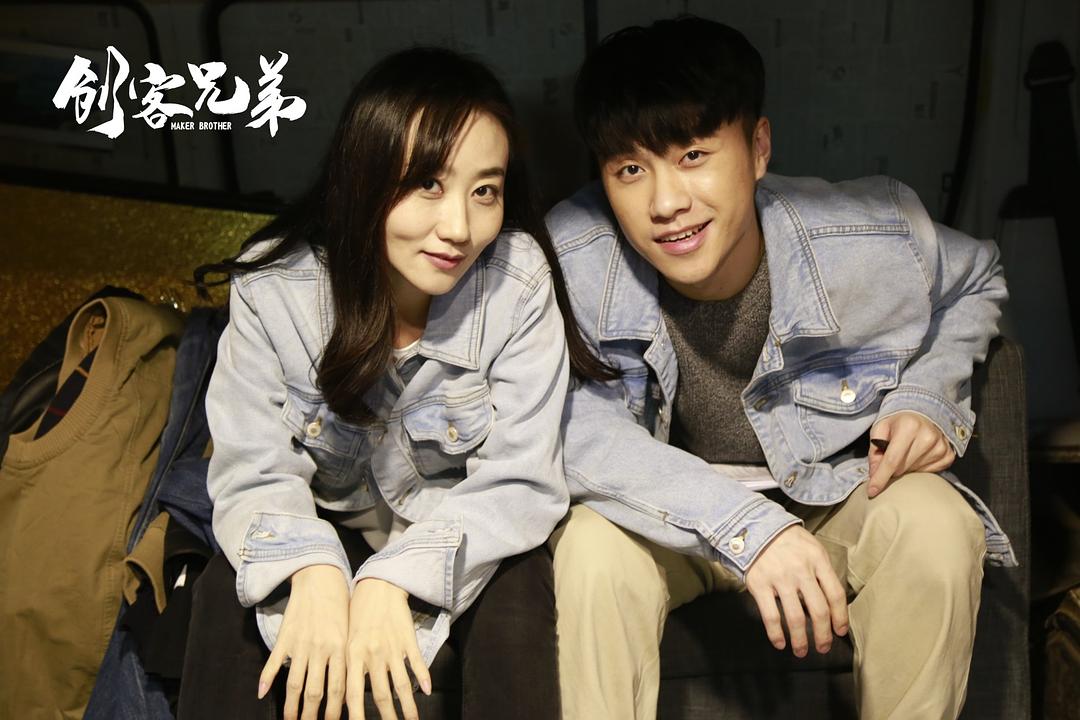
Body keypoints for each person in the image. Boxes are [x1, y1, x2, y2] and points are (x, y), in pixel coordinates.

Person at [545, 16, 1015, 720]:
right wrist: (749, 528)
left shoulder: (869, 233)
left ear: (758, 148)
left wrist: (927, 396)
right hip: (666, 512)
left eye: (694, 155)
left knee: (937, 523)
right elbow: (572, 427)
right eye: (631, 170)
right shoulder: (570, 259)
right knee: (590, 549)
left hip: (829, 495)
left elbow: (978, 277)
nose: (666, 204)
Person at [188, 47, 611, 720]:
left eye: (485, 191)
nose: (459, 228)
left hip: (461, 528)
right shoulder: (274, 288)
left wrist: (394, 580)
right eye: (428, 185)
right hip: (324, 517)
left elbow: (521, 481)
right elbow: (251, 468)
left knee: (519, 589)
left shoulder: (517, 280)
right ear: (365, 174)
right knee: (229, 586)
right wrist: (312, 570)